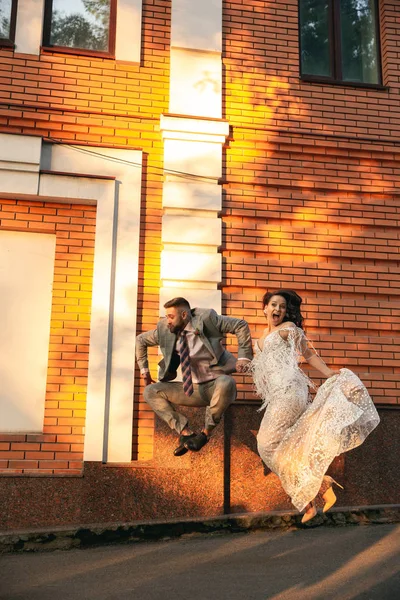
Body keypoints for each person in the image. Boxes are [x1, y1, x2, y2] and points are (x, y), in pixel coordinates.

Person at [249, 289, 380, 523]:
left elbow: (308, 354)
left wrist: (329, 372)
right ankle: (319, 488)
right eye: (274, 305)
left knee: (266, 445)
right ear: (265, 309)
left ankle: (314, 492)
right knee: (284, 449)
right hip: (277, 396)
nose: (278, 309)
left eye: (282, 306)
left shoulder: (288, 329)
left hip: (289, 392)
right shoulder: (259, 339)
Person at [136, 297, 253, 456]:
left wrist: (244, 357)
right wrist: (145, 372)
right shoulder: (165, 329)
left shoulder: (207, 318)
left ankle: (205, 434)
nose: (167, 321)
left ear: (184, 315)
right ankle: (186, 434)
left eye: (171, 316)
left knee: (227, 382)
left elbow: (240, 325)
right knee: (150, 391)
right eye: (166, 317)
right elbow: (140, 340)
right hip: (192, 390)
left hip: (215, 386)